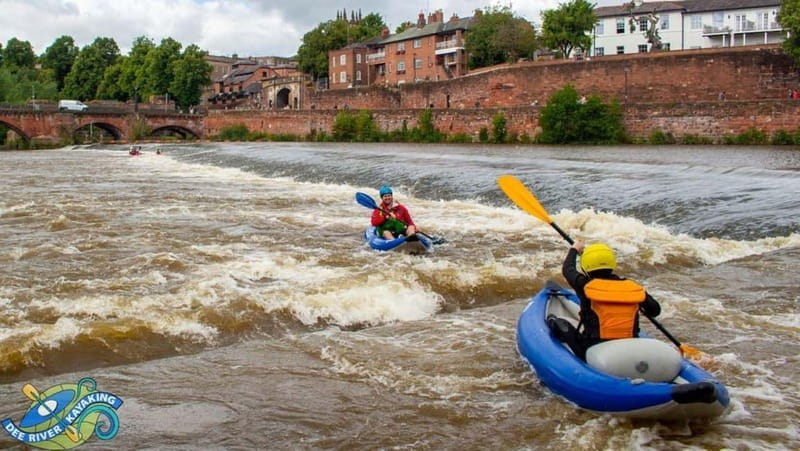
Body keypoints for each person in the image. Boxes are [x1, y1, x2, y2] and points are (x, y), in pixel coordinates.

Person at [549, 241, 661, 360]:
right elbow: (655, 310)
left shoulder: (585, 285)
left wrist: (574, 249)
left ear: (585, 268)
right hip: (631, 346)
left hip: (593, 349)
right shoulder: (633, 288)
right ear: (612, 264)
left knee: (559, 323)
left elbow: (568, 269)